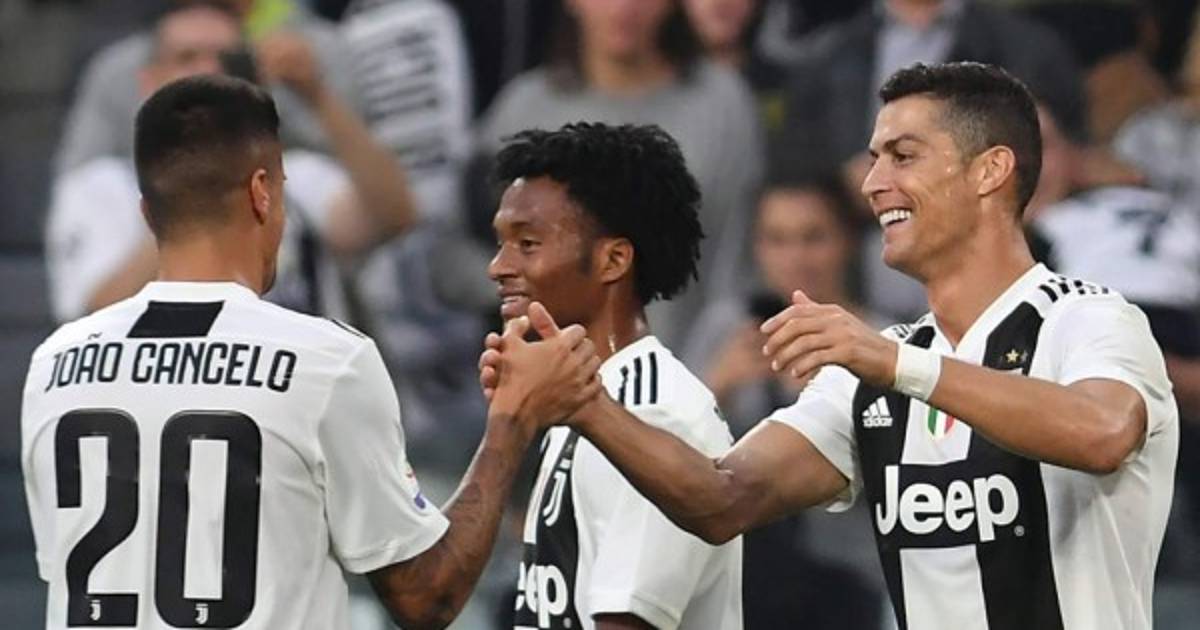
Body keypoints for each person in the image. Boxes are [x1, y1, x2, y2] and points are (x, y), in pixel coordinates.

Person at [483, 62, 1179, 630]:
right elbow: (722, 499)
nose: (874, 183)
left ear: (990, 170)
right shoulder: (869, 374)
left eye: (903, 156)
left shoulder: (1087, 318)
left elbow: (1103, 432)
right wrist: (584, 402)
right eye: (874, 160)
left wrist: (896, 363)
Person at [22, 75, 577, 630]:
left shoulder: (53, 365)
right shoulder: (325, 362)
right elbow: (426, 596)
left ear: (148, 213)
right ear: (261, 193)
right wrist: (512, 421)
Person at [484, 122, 743, 629]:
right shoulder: (581, 401)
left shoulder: (654, 415)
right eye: (501, 243)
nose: (498, 266)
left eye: (527, 243)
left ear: (614, 260)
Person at [45, 0, 415, 323]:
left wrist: (317, 96)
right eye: (187, 57)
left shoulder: (291, 177)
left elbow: (392, 217)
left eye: (227, 61)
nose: (209, 72)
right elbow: (98, 318)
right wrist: (184, 196)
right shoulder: (104, 188)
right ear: (149, 80)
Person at [478, 0, 763, 347]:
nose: (623, 8)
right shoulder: (523, 109)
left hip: (699, 360)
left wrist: (713, 359)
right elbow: (455, 249)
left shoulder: (722, 104)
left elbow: (739, 257)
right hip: (556, 362)